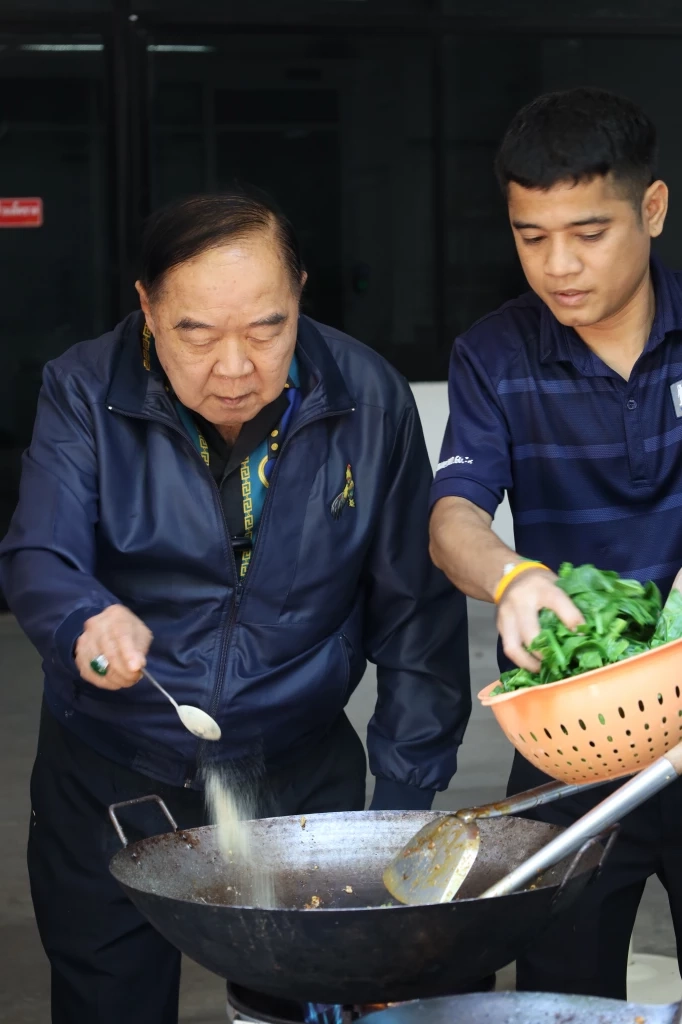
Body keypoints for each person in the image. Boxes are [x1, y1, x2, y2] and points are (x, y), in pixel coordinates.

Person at [0, 189, 470, 1024]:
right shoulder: (83, 388)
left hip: (299, 773)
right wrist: (82, 620)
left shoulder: (367, 398)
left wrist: (401, 807)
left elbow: (417, 617)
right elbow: (41, 551)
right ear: (147, 309)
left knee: (314, 1006)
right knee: (108, 1001)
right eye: (197, 333)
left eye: (266, 329)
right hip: (114, 770)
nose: (235, 367)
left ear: (300, 297)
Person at [429, 86, 682, 999]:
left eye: (588, 232)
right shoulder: (495, 355)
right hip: (569, 739)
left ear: (651, 209)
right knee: (559, 998)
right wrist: (513, 578)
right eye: (531, 237)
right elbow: (453, 517)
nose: (559, 266)